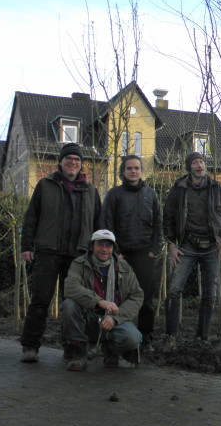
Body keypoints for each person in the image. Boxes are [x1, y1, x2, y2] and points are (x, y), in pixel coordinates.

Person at [19, 142, 101, 363]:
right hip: (48, 251)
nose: (73, 162)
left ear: (81, 164)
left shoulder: (90, 191)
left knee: (72, 303)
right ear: (61, 162)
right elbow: (31, 217)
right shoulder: (45, 185)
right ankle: (30, 346)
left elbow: (98, 224)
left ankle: (72, 347)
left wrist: (96, 253)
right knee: (40, 300)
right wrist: (26, 246)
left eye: (77, 160)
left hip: (78, 255)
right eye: (69, 159)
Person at [163, 151, 221, 342]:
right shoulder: (179, 188)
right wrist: (171, 244)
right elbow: (168, 217)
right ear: (189, 167)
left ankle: (202, 338)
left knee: (210, 294)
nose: (200, 165)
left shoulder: (217, 188)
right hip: (187, 245)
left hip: (212, 246)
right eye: (195, 162)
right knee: (174, 289)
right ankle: (171, 337)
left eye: (202, 162)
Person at [61, 229, 142, 371]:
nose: (104, 249)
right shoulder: (79, 263)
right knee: (69, 305)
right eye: (100, 245)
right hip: (87, 316)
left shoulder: (124, 267)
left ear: (113, 248)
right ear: (92, 246)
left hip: (113, 317)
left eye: (108, 246)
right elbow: (70, 287)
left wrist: (115, 318)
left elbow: (136, 296)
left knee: (132, 338)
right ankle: (78, 353)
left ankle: (110, 350)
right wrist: (98, 301)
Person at [101, 155, 162, 346]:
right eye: (129, 168)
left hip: (145, 254)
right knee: (117, 296)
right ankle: (117, 336)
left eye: (136, 168)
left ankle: (146, 337)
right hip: (121, 255)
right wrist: (115, 252)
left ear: (141, 171)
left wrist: (154, 250)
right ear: (123, 171)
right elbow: (107, 223)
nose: (133, 171)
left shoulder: (151, 194)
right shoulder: (114, 194)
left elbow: (158, 224)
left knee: (145, 298)